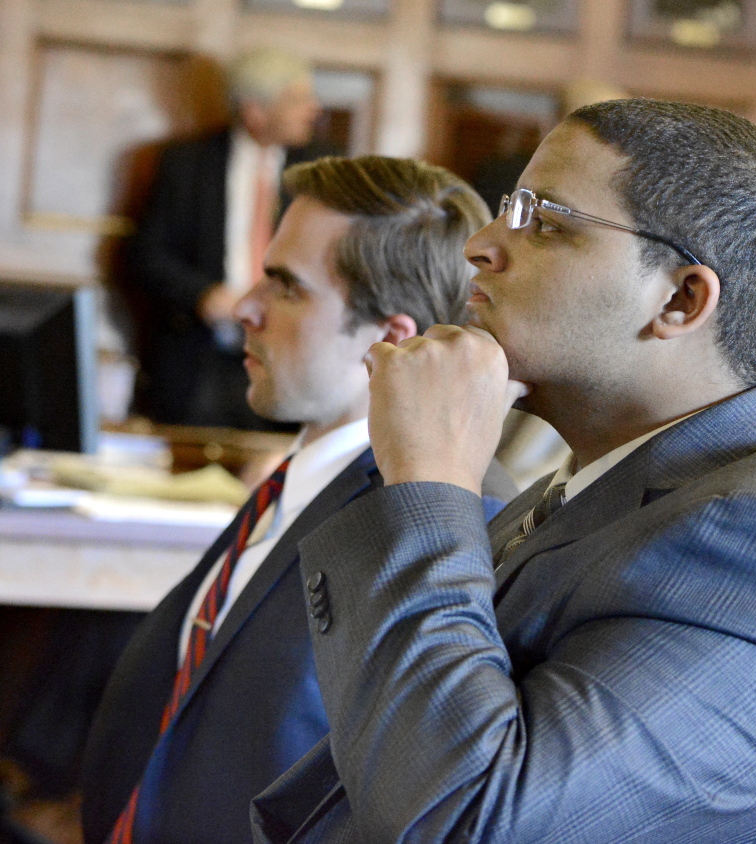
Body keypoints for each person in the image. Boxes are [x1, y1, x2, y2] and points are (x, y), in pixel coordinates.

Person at [251, 100, 756, 842]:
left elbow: (471, 820)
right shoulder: (627, 480)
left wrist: (431, 482)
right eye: (509, 210)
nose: (481, 245)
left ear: (679, 298)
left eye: (548, 223)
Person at [81, 155, 517, 844]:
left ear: (387, 339)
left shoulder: (444, 517)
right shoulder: (297, 476)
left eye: (285, 287)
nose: (246, 307)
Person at [129, 47, 333, 428]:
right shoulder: (186, 163)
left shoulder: (324, 172)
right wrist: (204, 295)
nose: (313, 108)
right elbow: (147, 256)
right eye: (297, 98)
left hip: (288, 362)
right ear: (255, 110)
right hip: (199, 358)